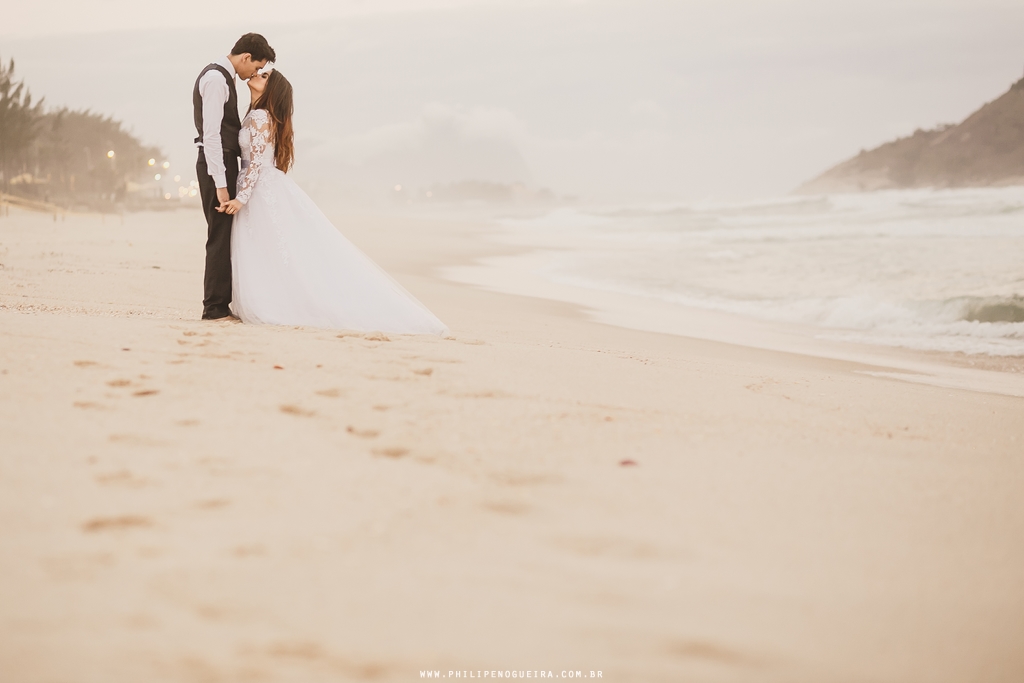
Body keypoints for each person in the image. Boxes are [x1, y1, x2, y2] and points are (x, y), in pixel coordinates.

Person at [216, 70, 448, 336]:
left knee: (267, 245)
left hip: (258, 188)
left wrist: (241, 198)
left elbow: (255, 162)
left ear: (272, 90)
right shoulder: (257, 114)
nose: (258, 74)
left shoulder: (259, 117)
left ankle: (276, 300)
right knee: (272, 247)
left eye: (265, 76)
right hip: (262, 186)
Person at [192, 33, 276, 320]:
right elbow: (212, 134)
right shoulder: (216, 79)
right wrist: (220, 183)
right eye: (255, 67)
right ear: (245, 57)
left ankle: (220, 304)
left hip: (223, 163)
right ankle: (214, 308)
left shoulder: (224, 78)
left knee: (224, 234)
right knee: (219, 234)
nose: (254, 73)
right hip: (218, 163)